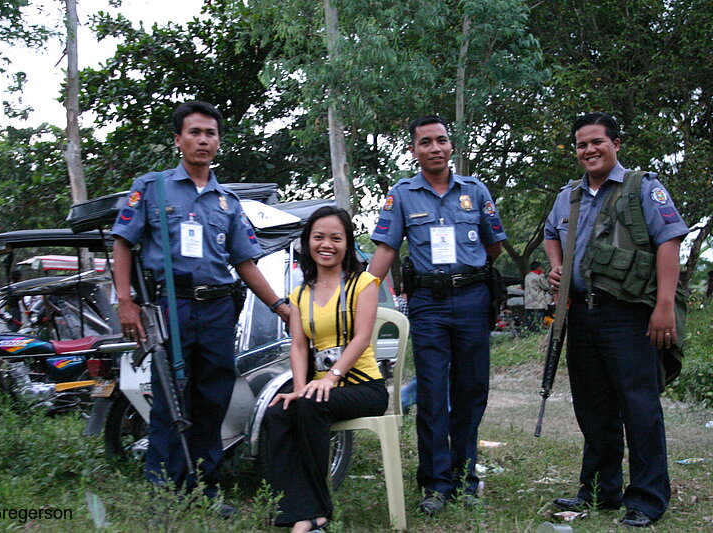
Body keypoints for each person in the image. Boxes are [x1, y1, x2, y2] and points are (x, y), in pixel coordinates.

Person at [111, 100, 291, 514]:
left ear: (218, 142)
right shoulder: (153, 187)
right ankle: (164, 491)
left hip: (217, 311)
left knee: (212, 401)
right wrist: (126, 302)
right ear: (178, 140)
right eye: (195, 132)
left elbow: (245, 262)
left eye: (210, 133)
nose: (203, 140)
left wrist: (280, 305)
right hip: (170, 307)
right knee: (171, 399)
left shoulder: (228, 202)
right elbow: (122, 243)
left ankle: (206, 487)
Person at [544, 112, 688, 527]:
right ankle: (599, 491)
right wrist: (557, 267)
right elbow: (553, 233)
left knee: (639, 406)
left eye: (596, 142)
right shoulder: (566, 196)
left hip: (628, 315)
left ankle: (645, 499)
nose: (588, 150)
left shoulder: (643, 188)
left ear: (616, 144)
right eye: (581, 145)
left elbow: (669, 241)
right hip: (581, 316)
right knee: (593, 407)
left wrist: (663, 306)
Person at [368, 116, 507, 514]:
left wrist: (468, 272)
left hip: (473, 301)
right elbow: (386, 250)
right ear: (414, 150)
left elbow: (493, 245)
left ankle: (464, 480)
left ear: (451, 146)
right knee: (431, 393)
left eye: (441, 140)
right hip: (428, 304)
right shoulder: (402, 194)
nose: (435, 148)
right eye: (425, 142)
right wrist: (360, 293)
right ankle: (435, 483)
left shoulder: (475, 191)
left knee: (470, 390)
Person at [263, 206, 388, 533]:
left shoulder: (364, 283)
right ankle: (294, 511)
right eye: (318, 237)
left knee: (310, 405)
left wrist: (332, 377)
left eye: (336, 237)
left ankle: (317, 512)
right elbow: (299, 347)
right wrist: (299, 386)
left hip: (364, 387)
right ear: (308, 243)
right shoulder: (300, 294)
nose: (326, 244)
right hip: (318, 391)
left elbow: (361, 338)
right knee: (277, 412)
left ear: (347, 244)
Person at [523, 261, 551, 331]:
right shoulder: (538, 276)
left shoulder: (527, 276)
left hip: (529, 302)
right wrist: (542, 275)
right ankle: (538, 333)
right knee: (538, 321)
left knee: (529, 321)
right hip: (538, 302)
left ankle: (528, 333)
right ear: (538, 267)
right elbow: (546, 286)